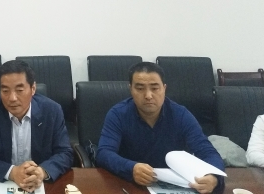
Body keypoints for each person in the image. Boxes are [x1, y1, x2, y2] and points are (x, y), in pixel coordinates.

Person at [96, 62, 224, 194]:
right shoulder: (118, 114)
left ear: (164, 88)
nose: (148, 95)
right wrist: (130, 168)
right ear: (131, 89)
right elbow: (104, 153)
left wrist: (214, 177)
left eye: (155, 88)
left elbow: (208, 152)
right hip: (130, 185)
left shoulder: (181, 115)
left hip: (174, 186)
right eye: (140, 88)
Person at [0, 60, 72, 191]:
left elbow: (65, 153)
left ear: (33, 89)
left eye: (19, 90)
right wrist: (12, 172)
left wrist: (42, 172)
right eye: (5, 91)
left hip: (39, 186)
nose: (12, 98)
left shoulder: (52, 111)